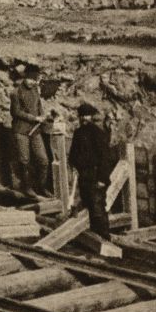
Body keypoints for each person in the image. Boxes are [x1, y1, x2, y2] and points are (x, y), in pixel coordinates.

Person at [68, 102, 114, 239]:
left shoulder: (98, 133)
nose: (84, 119)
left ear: (91, 117)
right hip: (84, 176)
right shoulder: (77, 133)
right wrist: (74, 166)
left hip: (96, 176)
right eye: (81, 116)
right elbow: (73, 155)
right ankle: (93, 238)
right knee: (87, 204)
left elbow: (105, 158)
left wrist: (102, 179)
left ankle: (105, 238)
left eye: (86, 116)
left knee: (98, 207)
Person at [10, 63, 51, 197]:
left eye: (35, 80)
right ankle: (27, 187)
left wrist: (43, 116)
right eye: (31, 79)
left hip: (36, 131)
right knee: (24, 160)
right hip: (21, 131)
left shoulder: (35, 90)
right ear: (25, 78)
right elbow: (15, 112)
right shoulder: (16, 92)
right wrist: (34, 118)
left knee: (43, 160)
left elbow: (39, 107)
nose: (33, 82)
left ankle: (41, 187)